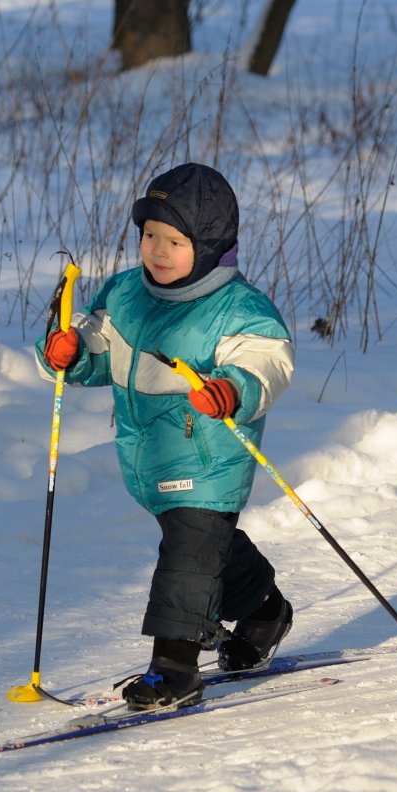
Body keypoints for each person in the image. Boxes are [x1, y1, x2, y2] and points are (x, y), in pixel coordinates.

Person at [36, 163, 295, 710]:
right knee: (206, 548)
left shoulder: (239, 310)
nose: (156, 250)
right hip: (149, 455)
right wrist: (68, 354)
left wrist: (235, 389)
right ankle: (265, 612)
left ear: (209, 248)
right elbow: (95, 347)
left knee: (187, 556)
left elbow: (268, 364)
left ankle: (174, 667)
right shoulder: (127, 294)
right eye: (149, 235)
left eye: (173, 241)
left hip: (210, 456)